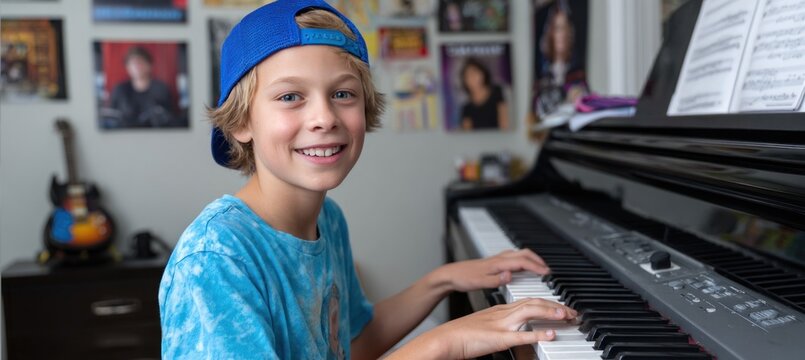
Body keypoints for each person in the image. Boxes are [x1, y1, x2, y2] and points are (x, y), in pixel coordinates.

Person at [158, 1, 577, 359]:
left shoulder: (329, 220)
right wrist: (440, 344)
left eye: (343, 93)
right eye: (290, 97)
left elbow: (351, 345)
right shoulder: (215, 260)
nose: (324, 118)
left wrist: (443, 279)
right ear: (240, 123)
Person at [534, 1, 588, 117]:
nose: (562, 34)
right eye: (557, 29)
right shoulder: (542, 74)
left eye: (565, 28)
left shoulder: (578, 73)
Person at [107, 46, 174, 127]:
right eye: (133, 63)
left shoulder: (161, 88)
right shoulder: (120, 89)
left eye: (140, 62)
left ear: (149, 65)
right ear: (127, 67)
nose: (137, 67)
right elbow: (111, 118)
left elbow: (170, 118)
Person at [460, 57, 509, 130]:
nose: (472, 78)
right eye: (467, 76)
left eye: (474, 73)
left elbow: (504, 123)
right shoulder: (467, 107)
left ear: (483, 73)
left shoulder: (497, 91)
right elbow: (467, 132)